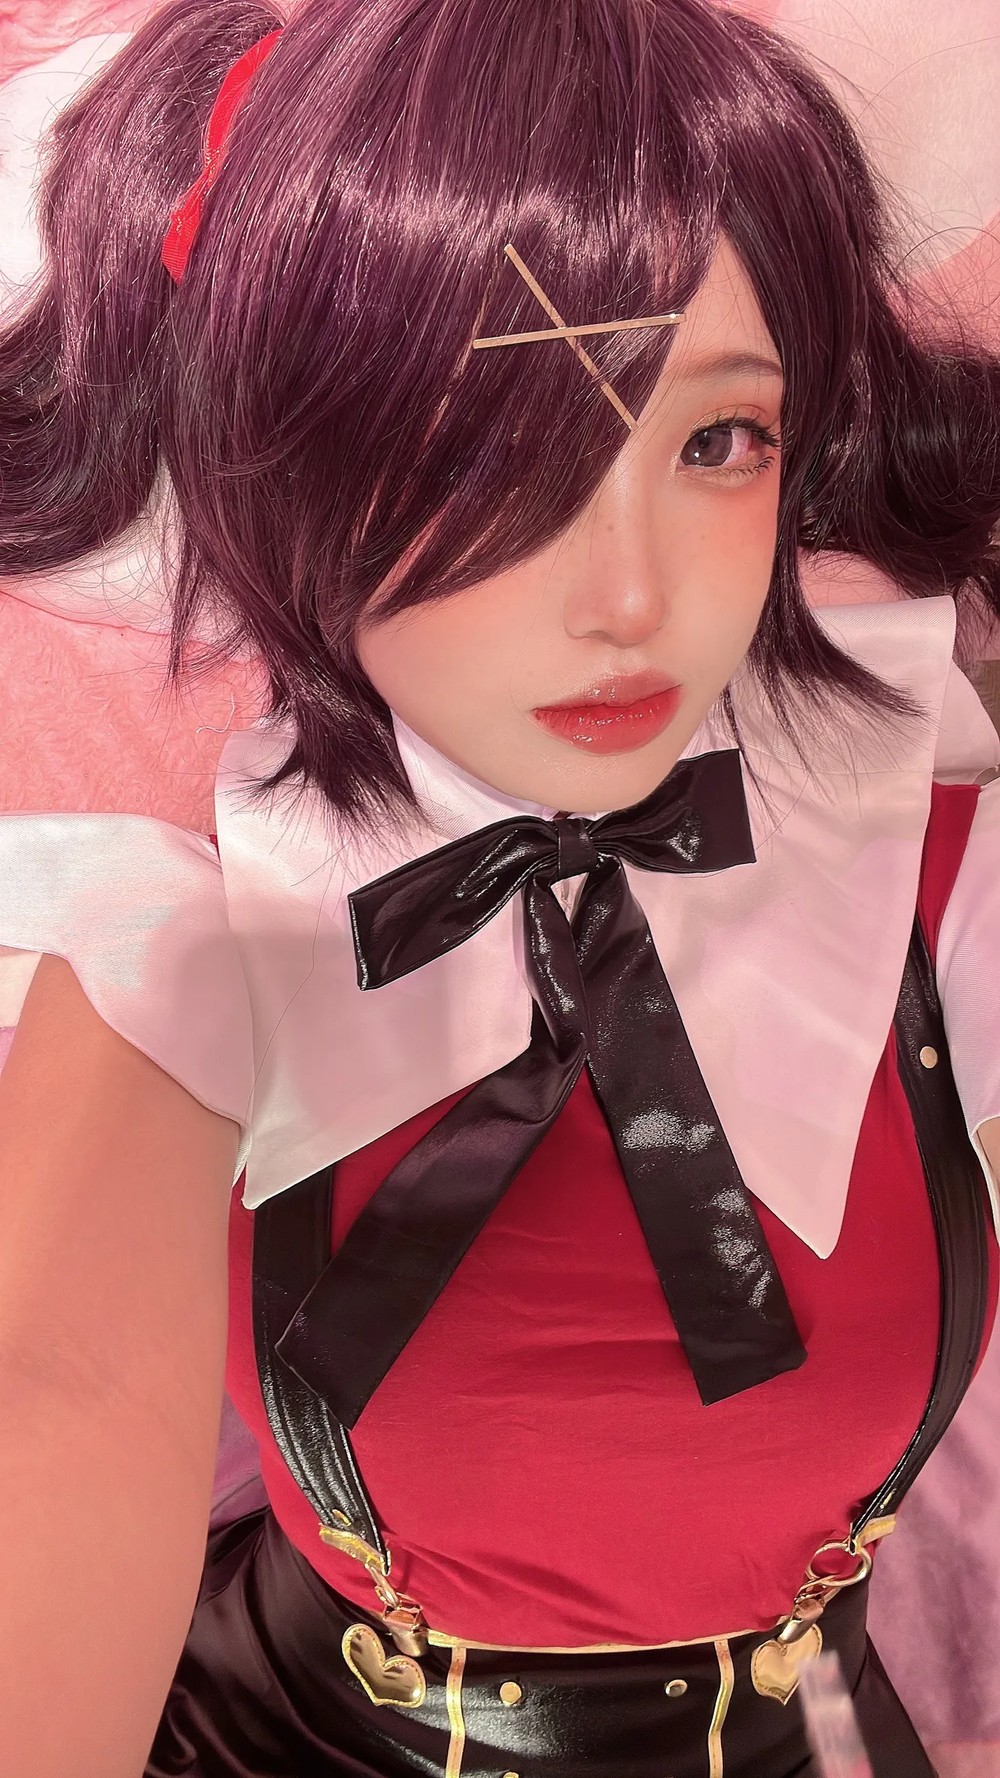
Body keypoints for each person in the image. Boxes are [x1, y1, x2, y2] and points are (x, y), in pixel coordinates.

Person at [1, 0, 1000, 1773]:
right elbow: (57, 1402)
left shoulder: (917, 840)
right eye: (481, 445)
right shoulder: (198, 935)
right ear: (280, 451)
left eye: (717, 439)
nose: (629, 598)